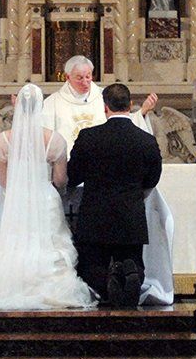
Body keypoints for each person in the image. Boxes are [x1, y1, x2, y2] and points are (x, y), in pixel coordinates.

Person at [0, 83, 94, 310]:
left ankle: (14, 281)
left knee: (17, 244)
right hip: (45, 198)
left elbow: (3, 181)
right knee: (48, 244)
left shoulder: (4, 139)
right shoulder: (54, 140)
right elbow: (61, 179)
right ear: (40, 106)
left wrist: (20, 190)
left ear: (17, 105)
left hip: (17, 199)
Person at [67, 83, 163, 307]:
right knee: (132, 258)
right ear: (130, 105)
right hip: (131, 215)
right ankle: (131, 279)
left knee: (91, 266)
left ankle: (107, 285)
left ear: (104, 107)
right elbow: (153, 178)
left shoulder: (89, 137)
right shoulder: (146, 140)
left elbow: (73, 176)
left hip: (95, 216)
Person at [40, 55, 157, 153]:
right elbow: (46, 139)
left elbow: (122, 123)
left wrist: (143, 111)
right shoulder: (52, 103)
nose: (85, 82)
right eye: (79, 78)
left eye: (88, 76)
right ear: (67, 77)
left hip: (104, 164)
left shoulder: (105, 96)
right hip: (68, 167)